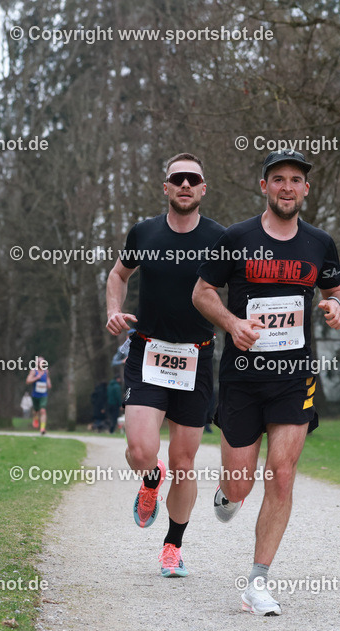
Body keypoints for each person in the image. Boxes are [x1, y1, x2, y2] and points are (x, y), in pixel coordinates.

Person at [192, 149, 340, 616]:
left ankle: (257, 582)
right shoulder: (234, 238)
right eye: (277, 178)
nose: (286, 186)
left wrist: (337, 305)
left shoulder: (319, 243)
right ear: (264, 186)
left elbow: (335, 288)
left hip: (293, 375)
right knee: (240, 486)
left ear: (306, 189)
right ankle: (227, 493)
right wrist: (231, 322)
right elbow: (202, 293)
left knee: (281, 474)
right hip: (242, 377)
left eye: (295, 180)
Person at [105, 152, 225, 578]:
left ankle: (173, 546)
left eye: (194, 178)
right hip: (147, 351)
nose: (186, 185)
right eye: (179, 179)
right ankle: (149, 480)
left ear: (204, 188)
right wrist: (113, 311)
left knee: (185, 462)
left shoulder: (220, 238)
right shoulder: (144, 232)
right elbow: (118, 275)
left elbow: (241, 286)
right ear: (166, 187)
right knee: (140, 449)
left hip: (197, 356)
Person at [26, 357, 51, 435]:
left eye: (43, 362)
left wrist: (49, 384)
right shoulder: (34, 371)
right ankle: (35, 418)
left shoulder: (46, 371)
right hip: (35, 395)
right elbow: (28, 381)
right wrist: (36, 378)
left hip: (44, 395)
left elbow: (48, 379)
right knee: (36, 411)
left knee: (43, 410)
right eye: (40, 362)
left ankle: (42, 428)